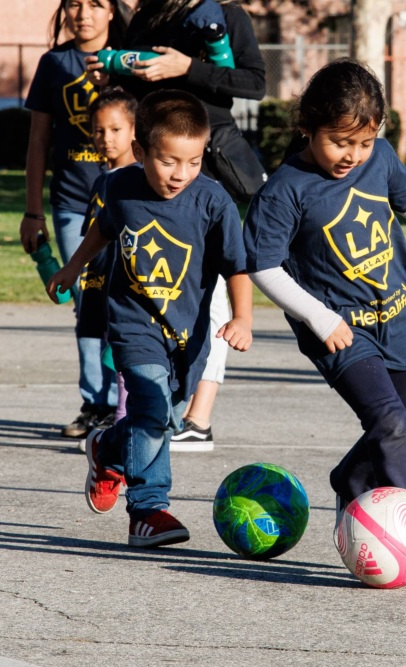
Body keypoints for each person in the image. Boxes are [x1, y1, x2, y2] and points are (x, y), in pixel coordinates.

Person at [244, 60, 406, 579]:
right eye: (340, 142)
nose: (352, 155)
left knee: (396, 431)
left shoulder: (380, 159)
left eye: (362, 143)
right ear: (308, 126)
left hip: (397, 319)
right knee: (389, 423)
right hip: (340, 332)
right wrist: (320, 320)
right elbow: (264, 267)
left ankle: (350, 481)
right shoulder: (285, 189)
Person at [47, 89, 253, 548]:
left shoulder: (214, 203)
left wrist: (242, 318)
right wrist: (71, 267)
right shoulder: (119, 186)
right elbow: (104, 229)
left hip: (189, 334)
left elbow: (237, 266)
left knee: (166, 414)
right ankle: (148, 509)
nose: (181, 174)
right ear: (140, 152)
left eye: (193, 161)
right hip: (133, 324)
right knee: (152, 408)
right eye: (168, 161)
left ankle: (107, 447)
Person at [88, 0, 268, 451]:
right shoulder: (150, 14)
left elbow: (254, 83)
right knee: (155, 290)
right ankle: (140, 415)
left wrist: (187, 67)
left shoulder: (226, 13)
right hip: (153, 173)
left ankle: (198, 416)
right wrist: (116, 74)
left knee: (214, 300)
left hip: (206, 168)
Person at [21, 0, 128, 439]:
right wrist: (33, 211)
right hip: (71, 202)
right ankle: (95, 402)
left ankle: (130, 398)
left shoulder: (130, 58)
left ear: (111, 12)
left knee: (127, 298)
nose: (83, 13)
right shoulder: (54, 63)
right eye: (74, 4)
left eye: (95, 4)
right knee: (86, 296)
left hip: (126, 199)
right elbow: (38, 140)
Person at [75, 86, 139, 452]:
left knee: (125, 357)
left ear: (134, 131)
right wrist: (76, 271)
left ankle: (124, 424)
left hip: (127, 286)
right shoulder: (101, 180)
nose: (106, 138)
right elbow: (92, 238)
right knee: (111, 354)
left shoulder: (137, 179)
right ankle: (121, 421)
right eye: (99, 131)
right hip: (100, 282)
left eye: (115, 130)